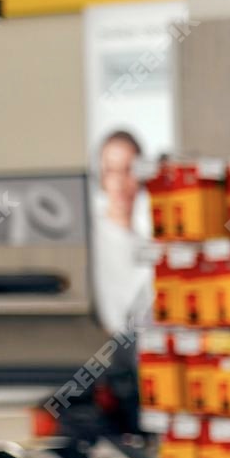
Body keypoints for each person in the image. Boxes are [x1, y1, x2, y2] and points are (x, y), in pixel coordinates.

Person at [90, 128, 150, 334]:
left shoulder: (151, 241)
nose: (120, 183)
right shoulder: (90, 238)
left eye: (128, 171)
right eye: (111, 171)